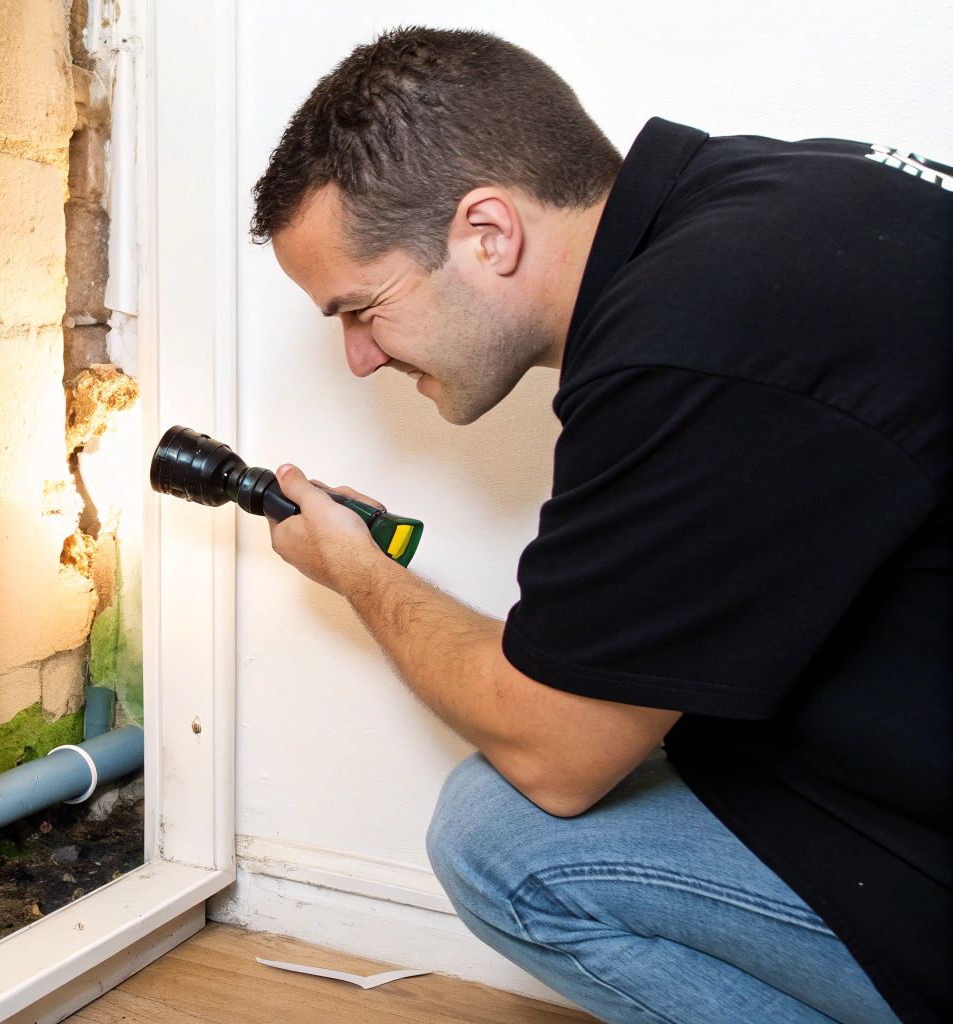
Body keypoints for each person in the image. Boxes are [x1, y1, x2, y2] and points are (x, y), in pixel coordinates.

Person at [249, 26, 950, 1024]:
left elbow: (558, 756)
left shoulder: (685, 341)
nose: (359, 358)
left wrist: (357, 571)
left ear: (487, 231)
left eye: (360, 309)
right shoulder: (759, 208)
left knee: (503, 840)